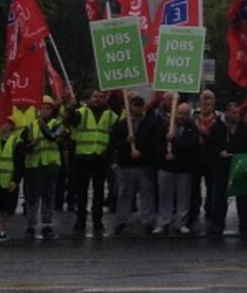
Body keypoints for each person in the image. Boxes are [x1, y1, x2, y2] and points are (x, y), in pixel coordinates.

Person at [67, 90, 117, 234]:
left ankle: (97, 220)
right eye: (95, 96)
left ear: (104, 99)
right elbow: (71, 120)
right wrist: (71, 107)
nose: (97, 99)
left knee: (99, 192)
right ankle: (80, 220)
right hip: (83, 157)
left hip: (100, 158)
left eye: (100, 97)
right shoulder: (81, 112)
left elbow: (117, 130)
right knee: (81, 192)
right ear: (90, 98)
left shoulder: (110, 115)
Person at [207, 101, 247, 235]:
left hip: (239, 166)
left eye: (238, 113)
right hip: (222, 167)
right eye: (234, 113)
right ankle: (218, 224)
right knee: (220, 196)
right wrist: (219, 152)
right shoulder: (217, 127)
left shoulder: (244, 127)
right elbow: (210, 146)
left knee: (244, 196)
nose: (237, 116)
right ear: (227, 113)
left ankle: (246, 224)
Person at [110, 94, 156, 235]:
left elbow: (153, 144)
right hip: (126, 165)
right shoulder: (121, 125)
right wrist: (126, 141)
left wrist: (141, 153)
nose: (138, 108)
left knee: (147, 194)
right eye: (135, 105)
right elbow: (114, 144)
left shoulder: (150, 124)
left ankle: (148, 221)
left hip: (144, 165)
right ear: (129, 106)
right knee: (124, 194)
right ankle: (121, 221)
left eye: (140, 105)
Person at [22, 95, 64, 239]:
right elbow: (23, 146)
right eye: (42, 108)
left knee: (48, 195)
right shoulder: (30, 126)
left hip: (51, 165)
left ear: (52, 110)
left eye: (48, 108)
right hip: (34, 165)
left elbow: (53, 136)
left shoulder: (57, 124)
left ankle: (47, 225)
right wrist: (30, 145)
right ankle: (31, 225)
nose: (45, 111)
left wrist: (42, 125)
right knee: (32, 197)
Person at [153, 101, 198, 235]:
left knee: (183, 197)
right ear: (175, 113)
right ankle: (163, 222)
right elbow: (156, 143)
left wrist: (176, 141)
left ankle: (181, 223)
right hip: (166, 167)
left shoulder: (192, 127)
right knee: (164, 196)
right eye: (180, 113)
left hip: (184, 168)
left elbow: (192, 144)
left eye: (185, 114)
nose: (182, 116)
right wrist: (164, 153)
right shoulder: (165, 126)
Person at [190, 90, 220, 225]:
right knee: (194, 186)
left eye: (209, 101)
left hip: (211, 159)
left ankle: (210, 209)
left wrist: (206, 135)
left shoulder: (219, 119)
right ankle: (194, 208)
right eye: (204, 101)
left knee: (211, 185)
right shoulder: (193, 119)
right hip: (195, 158)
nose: (206, 104)